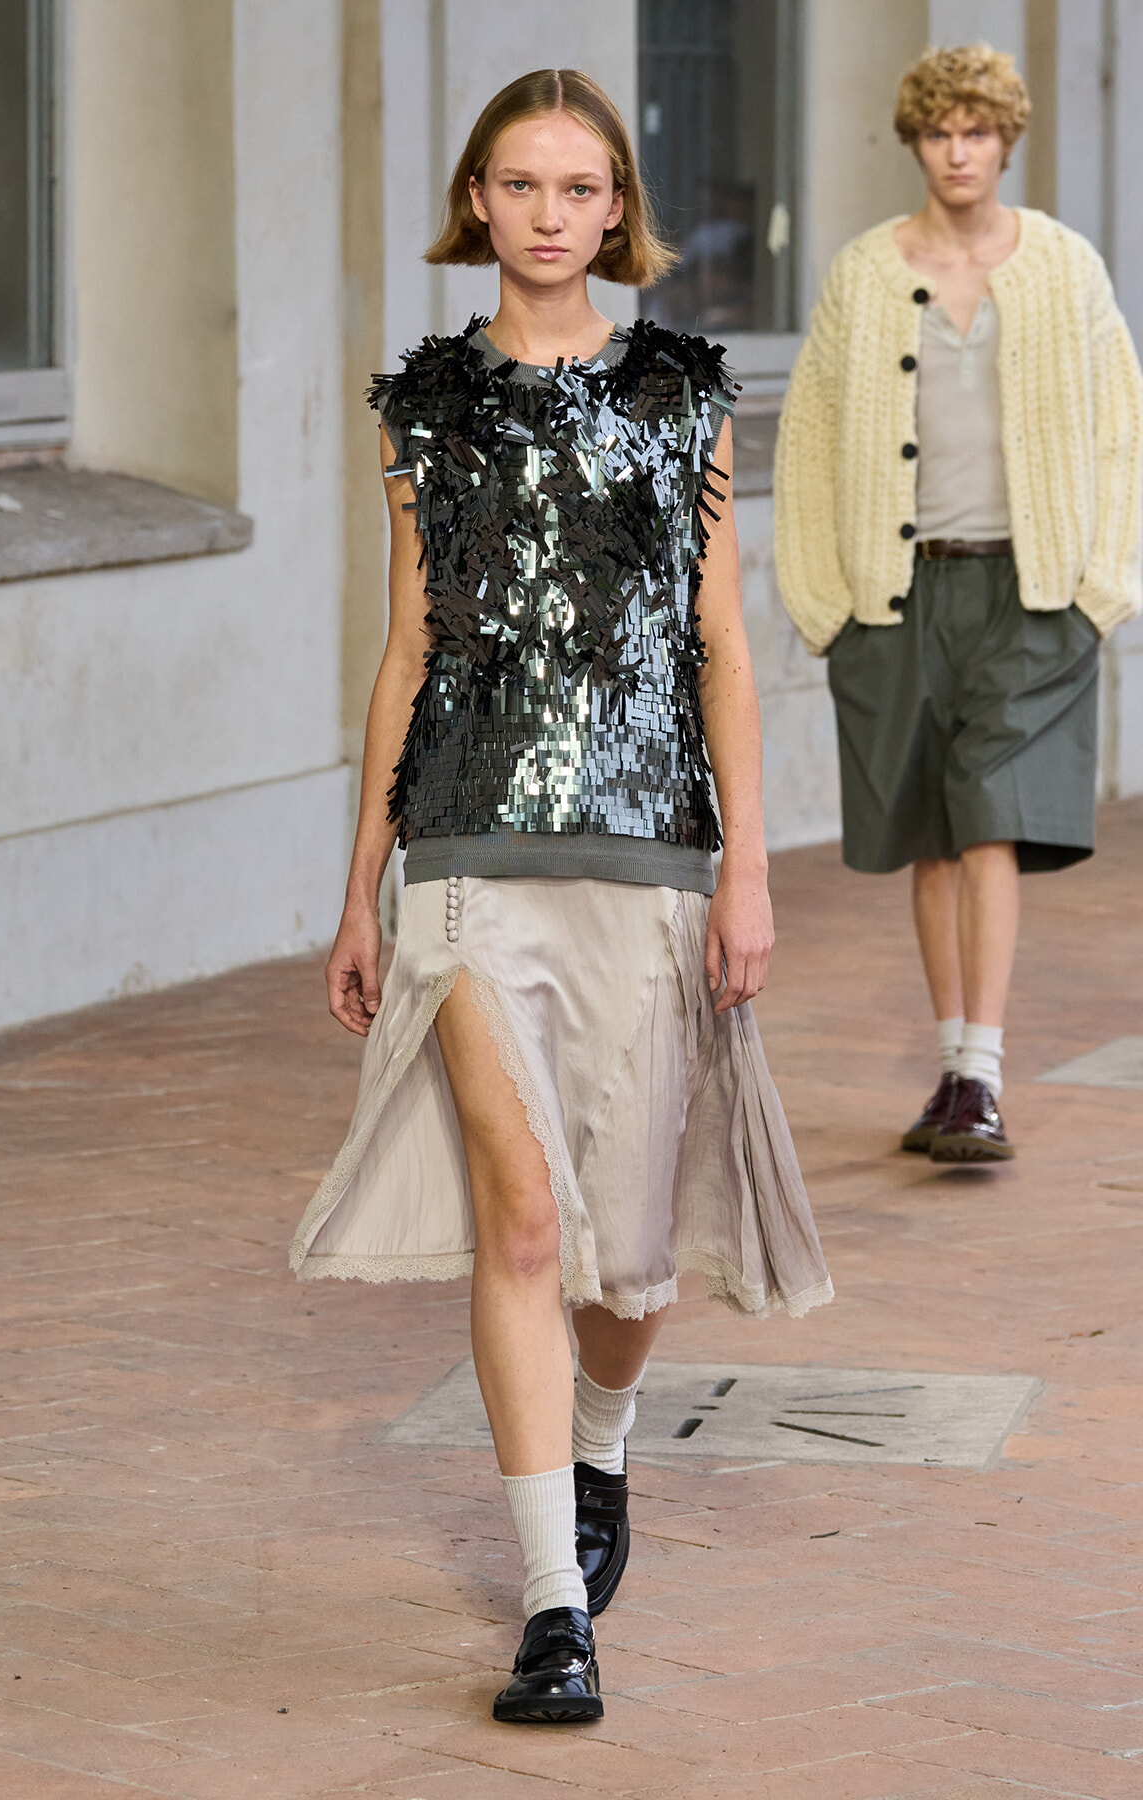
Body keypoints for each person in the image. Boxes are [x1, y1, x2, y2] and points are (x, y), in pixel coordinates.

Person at [290, 68, 831, 1724]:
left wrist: (749, 872)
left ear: (616, 212)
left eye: (576, 186)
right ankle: (550, 1611)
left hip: (653, 847)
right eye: (516, 184)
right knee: (524, 1221)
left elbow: (725, 650)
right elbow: (408, 647)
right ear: (478, 204)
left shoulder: (684, 397)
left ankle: (602, 1449)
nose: (545, 212)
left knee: (629, 1259)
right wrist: (362, 887)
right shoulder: (427, 408)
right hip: (462, 846)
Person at [774, 44, 1142, 1164]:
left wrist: (1099, 588)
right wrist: (824, 601)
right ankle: (952, 1066)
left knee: (989, 816)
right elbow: (809, 437)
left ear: (1005, 141)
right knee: (932, 832)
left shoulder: (1066, 269)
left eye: (978, 132)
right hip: (899, 592)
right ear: (917, 144)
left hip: (1030, 594)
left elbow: (1120, 426)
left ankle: (982, 1072)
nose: (960, 151)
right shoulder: (863, 274)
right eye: (941, 133)